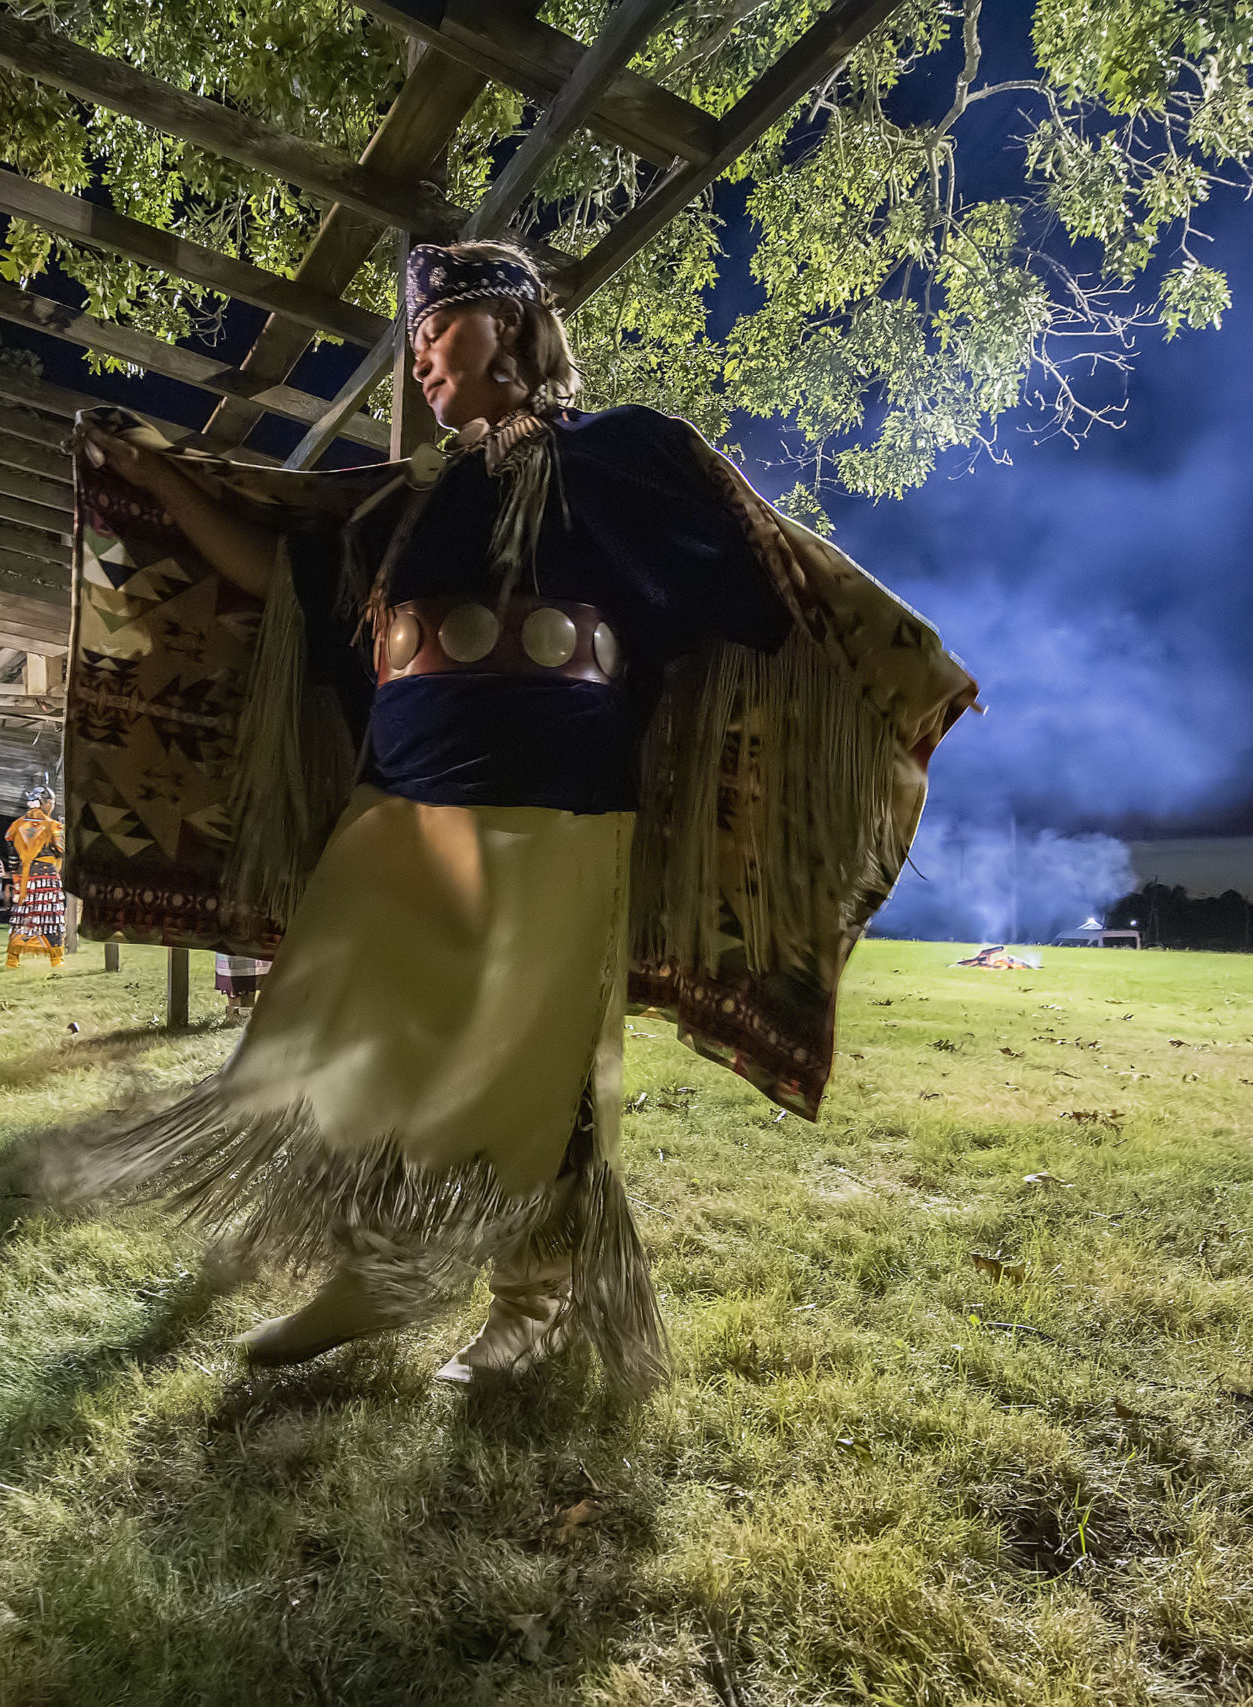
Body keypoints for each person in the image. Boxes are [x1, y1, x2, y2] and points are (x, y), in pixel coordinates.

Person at [65, 240, 978, 1391]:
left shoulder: (617, 457)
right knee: (336, 1036)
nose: (425, 364)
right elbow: (279, 583)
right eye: (417, 344)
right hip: (395, 806)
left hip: (555, 807)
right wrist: (166, 487)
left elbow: (761, 579)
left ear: (513, 327)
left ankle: (535, 1306)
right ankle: (377, 1263)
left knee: (529, 1073)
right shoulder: (411, 501)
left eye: (440, 333)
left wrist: (884, 657)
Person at [1, 784, 65, 970]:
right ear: (45, 803)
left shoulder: (16, 826)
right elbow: (62, 851)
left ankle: (13, 959)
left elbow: (12, 856)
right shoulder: (52, 826)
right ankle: (56, 959)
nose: (52, 806)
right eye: (51, 803)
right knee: (49, 915)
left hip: (24, 878)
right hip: (46, 876)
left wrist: (15, 874)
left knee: (22, 915)